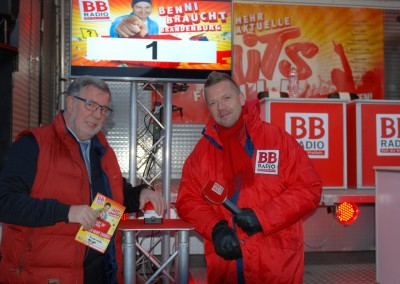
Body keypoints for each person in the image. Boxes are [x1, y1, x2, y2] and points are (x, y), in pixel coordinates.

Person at [0, 76, 167, 284]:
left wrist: (141, 193)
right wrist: (66, 212)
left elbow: (112, 195)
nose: (97, 115)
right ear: (70, 103)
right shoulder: (33, 144)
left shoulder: (102, 151)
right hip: (43, 276)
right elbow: (5, 203)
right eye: (90, 105)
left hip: (98, 272)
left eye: (104, 109)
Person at [175, 71, 322, 283]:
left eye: (226, 98)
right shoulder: (201, 153)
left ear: (241, 98)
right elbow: (188, 200)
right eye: (214, 102)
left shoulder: (277, 139)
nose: (221, 107)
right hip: (226, 269)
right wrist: (215, 228)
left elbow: (309, 188)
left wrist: (264, 217)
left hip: (276, 269)